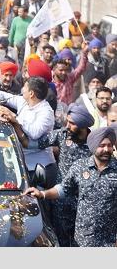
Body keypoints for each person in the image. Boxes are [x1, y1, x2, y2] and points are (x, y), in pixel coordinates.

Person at [14, 103, 94, 246]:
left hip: (86, 204)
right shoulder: (62, 135)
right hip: (60, 200)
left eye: (72, 123)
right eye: (67, 121)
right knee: (60, 241)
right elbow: (28, 143)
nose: (67, 126)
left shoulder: (95, 143)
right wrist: (15, 124)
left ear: (83, 125)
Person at [25, 126, 117, 247]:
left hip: (109, 241)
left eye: (109, 145)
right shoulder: (80, 166)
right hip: (82, 239)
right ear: (93, 146)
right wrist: (42, 194)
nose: (106, 149)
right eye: (102, 145)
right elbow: (64, 189)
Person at [0, 77, 57, 188]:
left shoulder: (46, 112)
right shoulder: (23, 102)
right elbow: (0, 94)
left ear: (31, 93)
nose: (22, 90)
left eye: (24, 87)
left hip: (40, 168)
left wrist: (15, 118)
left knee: (39, 202)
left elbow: (34, 132)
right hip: (22, 165)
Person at [52, 41, 89, 105]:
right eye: (61, 70)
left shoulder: (69, 78)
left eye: (65, 70)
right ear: (54, 70)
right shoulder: (50, 83)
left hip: (69, 110)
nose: (63, 73)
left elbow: (81, 68)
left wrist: (84, 53)